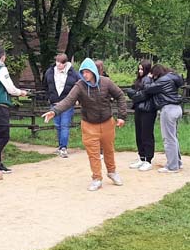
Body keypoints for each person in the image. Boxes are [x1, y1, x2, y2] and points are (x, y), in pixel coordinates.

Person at [42, 58, 128, 191]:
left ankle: (112, 172)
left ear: (94, 71)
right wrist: (54, 111)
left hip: (107, 122)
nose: (85, 74)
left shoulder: (106, 82)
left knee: (109, 150)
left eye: (87, 72)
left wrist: (122, 116)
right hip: (89, 124)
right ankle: (97, 178)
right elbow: (68, 100)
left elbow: (120, 96)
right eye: (83, 72)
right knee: (93, 153)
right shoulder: (80, 86)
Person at [0, 46, 28, 173]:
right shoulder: (1, 69)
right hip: (1, 106)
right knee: (4, 136)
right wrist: (21, 92)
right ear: (3, 57)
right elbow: (10, 89)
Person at [142, 64, 184, 173]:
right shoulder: (172, 78)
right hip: (177, 108)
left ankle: (172, 166)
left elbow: (148, 89)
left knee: (168, 139)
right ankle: (177, 162)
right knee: (173, 137)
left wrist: (148, 78)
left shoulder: (163, 80)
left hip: (168, 109)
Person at [44, 53, 80, 158]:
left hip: (67, 103)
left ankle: (63, 147)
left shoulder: (73, 74)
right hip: (54, 103)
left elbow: (78, 86)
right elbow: (46, 85)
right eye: (57, 62)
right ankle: (60, 146)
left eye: (61, 63)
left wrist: (76, 98)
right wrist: (49, 97)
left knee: (64, 125)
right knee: (58, 126)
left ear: (65, 63)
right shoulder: (49, 72)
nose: (59, 65)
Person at [125, 60, 155, 171]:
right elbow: (132, 92)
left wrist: (136, 95)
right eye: (139, 69)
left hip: (148, 110)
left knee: (147, 134)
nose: (140, 71)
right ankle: (141, 157)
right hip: (138, 109)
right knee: (139, 134)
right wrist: (135, 94)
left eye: (142, 69)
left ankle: (148, 159)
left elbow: (146, 94)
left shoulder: (149, 80)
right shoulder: (139, 80)